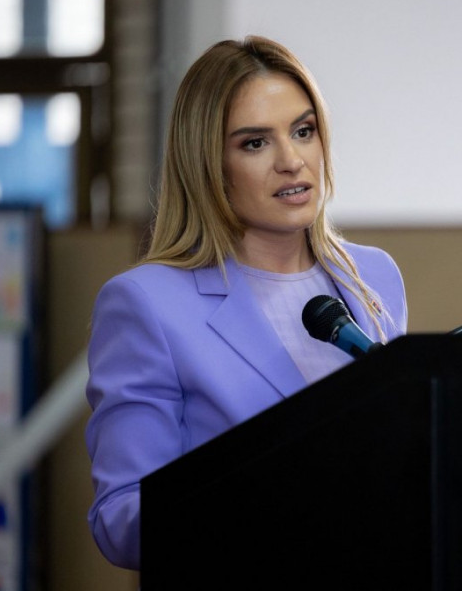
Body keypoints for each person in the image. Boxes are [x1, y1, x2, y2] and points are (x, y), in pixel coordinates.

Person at [84, 35, 407, 570]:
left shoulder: (374, 276)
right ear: (208, 164)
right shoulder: (147, 304)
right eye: (255, 143)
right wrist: (272, 494)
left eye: (303, 131)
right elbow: (120, 520)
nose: (291, 161)